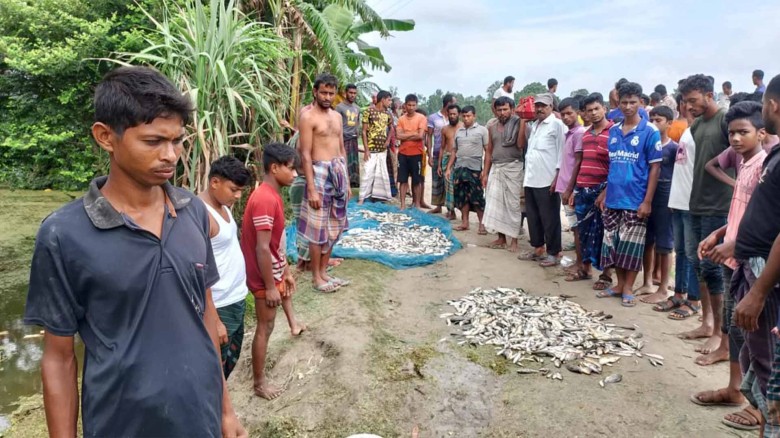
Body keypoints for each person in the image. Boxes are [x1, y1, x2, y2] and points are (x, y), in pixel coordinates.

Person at [23, 66, 246, 437]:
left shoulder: (192, 212)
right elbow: (59, 358)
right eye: (153, 141)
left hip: (199, 418)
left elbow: (205, 313)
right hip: (120, 425)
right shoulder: (64, 234)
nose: (170, 155)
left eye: (176, 141)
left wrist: (225, 410)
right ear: (106, 137)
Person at [691, 102, 768, 431]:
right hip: (731, 255)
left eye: (743, 132)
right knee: (734, 329)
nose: (735, 138)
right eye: (732, 133)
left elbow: (765, 222)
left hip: (752, 260)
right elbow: (741, 210)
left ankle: (761, 407)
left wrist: (734, 242)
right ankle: (735, 390)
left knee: (756, 336)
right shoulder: (744, 163)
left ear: (761, 133)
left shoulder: (766, 166)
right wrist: (719, 233)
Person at [731, 77, 780, 436]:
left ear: (773, 105)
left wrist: (759, 292)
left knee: (769, 361)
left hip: (768, 278)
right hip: (754, 265)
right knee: (757, 353)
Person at [677, 74, 733, 357]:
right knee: (697, 264)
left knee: (714, 270)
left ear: (709, 95)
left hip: (719, 206)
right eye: (685, 101)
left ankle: (719, 336)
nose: (688, 106)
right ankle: (705, 322)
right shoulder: (697, 125)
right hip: (696, 203)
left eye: (693, 100)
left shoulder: (725, 121)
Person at [240, 143, 300, 400]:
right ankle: (259, 383)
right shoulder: (265, 199)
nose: (295, 174)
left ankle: (259, 379)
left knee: (269, 324)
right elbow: (262, 248)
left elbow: (275, 244)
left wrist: (284, 270)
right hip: (261, 276)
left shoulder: (272, 195)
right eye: (291, 168)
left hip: (271, 271)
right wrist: (270, 286)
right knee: (265, 326)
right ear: (274, 168)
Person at [595, 82, 662, 307]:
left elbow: (655, 167)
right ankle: (619, 285)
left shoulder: (650, 131)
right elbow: (613, 166)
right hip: (614, 198)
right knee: (613, 246)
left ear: (641, 103)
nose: (628, 106)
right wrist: (605, 193)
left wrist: (647, 201)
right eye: (624, 102)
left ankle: (629, 288)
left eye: (633, 102)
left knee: (631, 248)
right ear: (618, 103)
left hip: (636, 200)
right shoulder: (613, 131)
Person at [199, 157, 254, 379]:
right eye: (234, 189)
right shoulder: (200, 214)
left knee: (229, 360)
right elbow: (199, 270)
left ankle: (221, 407)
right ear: (214, 182)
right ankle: (216, 411)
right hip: (220, 304)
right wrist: (214, 319)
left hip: (236, 296)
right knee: (214, 367)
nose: (238, 196)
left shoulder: (223, 206)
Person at [298, 73, 351, 293]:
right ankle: (316, 277)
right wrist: (311, 188)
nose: (328, 97)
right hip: (318, 172)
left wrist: (346, 181)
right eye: (324, 93)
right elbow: (305, 154)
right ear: (315, 92)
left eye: (331, 93)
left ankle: (323, 271)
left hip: (337, 171)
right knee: (317, 226)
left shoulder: (337, 117)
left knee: (335, 225)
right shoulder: (308, 117)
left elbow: (341, 149)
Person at [571, 93, 615, 290]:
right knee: (584, 231)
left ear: (604, 108)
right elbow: (580, 162)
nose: (594, 113)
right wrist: (574, 188)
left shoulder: (615, 132)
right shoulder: (586, 134)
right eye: (589, 111)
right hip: (583, 189)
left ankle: (606, 275)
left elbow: (617, 165)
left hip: (604, 191)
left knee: (606, 233)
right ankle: (585, 268)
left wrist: (605, 191)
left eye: (597, 109)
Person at [636, 106, 677, 304]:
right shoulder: (647, 144)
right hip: (647, 196)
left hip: (666, 197)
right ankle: (647, 281)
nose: (654, 123)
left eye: (659, 120)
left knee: (665, 243)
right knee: (647, 240)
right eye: (651, 119)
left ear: (670, 123)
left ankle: (663, 286)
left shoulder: (674, 148)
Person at [518, 92, 565, 267]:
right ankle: (538, 248)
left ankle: (554, 252)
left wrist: (557, 178)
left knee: (550, 217)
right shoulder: (536, 125)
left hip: (547, 179)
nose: (540, 109)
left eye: (544, 106)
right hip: (531, 178)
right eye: (537, 106)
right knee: (533, 216)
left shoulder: (557, 125)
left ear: (551, 107)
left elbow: (562, 153)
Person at [483, 96, 525, 253]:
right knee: (496, 203)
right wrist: (485, 172)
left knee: (513, 205)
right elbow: (489, 151)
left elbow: (521, 145)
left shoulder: (519, 123)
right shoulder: (492, 126)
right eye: (499, 110)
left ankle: (514, 239)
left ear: (512, 109)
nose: (502, 113)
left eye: (505, 109)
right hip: (496, 167)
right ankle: (501, 238)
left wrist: (522, 122)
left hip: (513, 167)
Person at [553, 98, 586, 278]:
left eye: (569, 113)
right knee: (574, 227)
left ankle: (581, 264)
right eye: (563, 114)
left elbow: (579, 162)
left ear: (578, 112)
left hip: (571, 188)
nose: (566, 117)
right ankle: (578, 262)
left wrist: (570, 189)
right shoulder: (569, 133)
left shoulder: (579, 133)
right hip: (564, 185)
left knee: (577, 228)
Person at [446, 105, 488, 233]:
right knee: (461, 196)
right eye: (463, 116)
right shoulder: (458, 131)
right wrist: (448, 168)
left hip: (474, 169)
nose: (466, 119)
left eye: (468, 116)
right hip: (459, 168)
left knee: (477, 197)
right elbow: (454, 151)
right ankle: (465, 222)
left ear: (474, 116)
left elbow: (488, 151)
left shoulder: (482, 130)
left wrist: (485, 172)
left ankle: (482, 224)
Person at [359, 90, 393, 204]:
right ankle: (361, 198)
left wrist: (388, 140)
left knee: (381, 173)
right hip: (371, 149)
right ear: (382, 99)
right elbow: (363, 132)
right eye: (389, 100)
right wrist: (366, 150)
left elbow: (391, 128)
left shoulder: (388, 114)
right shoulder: (368, 111)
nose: (390, 102)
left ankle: (379, 196)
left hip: (382, 150)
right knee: (367, 172)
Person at [428, 93, 458, 218]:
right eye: (453, 102)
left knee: (450, 182)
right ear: (448, 103)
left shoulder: (455, 118)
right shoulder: (434, 117)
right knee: (437, 180)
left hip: (453, 153)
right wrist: (429, 154)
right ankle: (438, 206)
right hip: (438, 152)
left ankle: (451, 209)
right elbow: (428, 136)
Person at [396, 94, 427, 210]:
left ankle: (417, 205)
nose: (411, 107)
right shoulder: (401, 119)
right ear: (405, 105)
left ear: (416, 105)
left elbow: (420, 136)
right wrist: (413, 133)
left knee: (417, 180)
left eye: (413, 105)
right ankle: (402, 204)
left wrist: (406, 135)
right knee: (402, 180)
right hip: (403, 153)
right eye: (409, 105)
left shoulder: (421, 118)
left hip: (417, 153)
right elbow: (398, 135)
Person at [335, 84, 361, 188]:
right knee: (343, 162)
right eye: (350, 93)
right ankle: (342, 184)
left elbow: (357, 122)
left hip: (353, 139)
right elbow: (336, 124)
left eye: (354, 93)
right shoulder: (339, 107)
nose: (352, 95)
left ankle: (352, 184)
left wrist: (356, 131)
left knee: (353, 163)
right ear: (346, 93)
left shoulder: (357, 108)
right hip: (343, 139)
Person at [439, 104, 462, 219]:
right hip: (447, 158)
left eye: (454, 114)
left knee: (459, 186)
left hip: (460, 160)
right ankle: (450, 211)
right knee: (448, 186)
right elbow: (442, 147)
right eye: (450, 114)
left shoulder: (463, 127)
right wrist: (439, 165)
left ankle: (464, 214)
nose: (452, 116)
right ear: (447, 115)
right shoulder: (445, 129)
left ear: (459, 115)